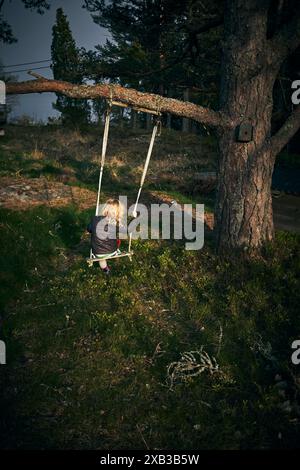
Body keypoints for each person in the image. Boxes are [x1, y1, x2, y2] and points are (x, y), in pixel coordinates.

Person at [87, 198, 126, 274]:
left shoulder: (95, 219)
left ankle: (105, 270)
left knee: (101, 259)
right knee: (117, 240)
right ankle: (116, 252)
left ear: (105, 209)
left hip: (98, 252)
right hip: (112, 251)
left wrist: (94, 224)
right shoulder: (116, 223)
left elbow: (89, 229)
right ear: (118, 212)